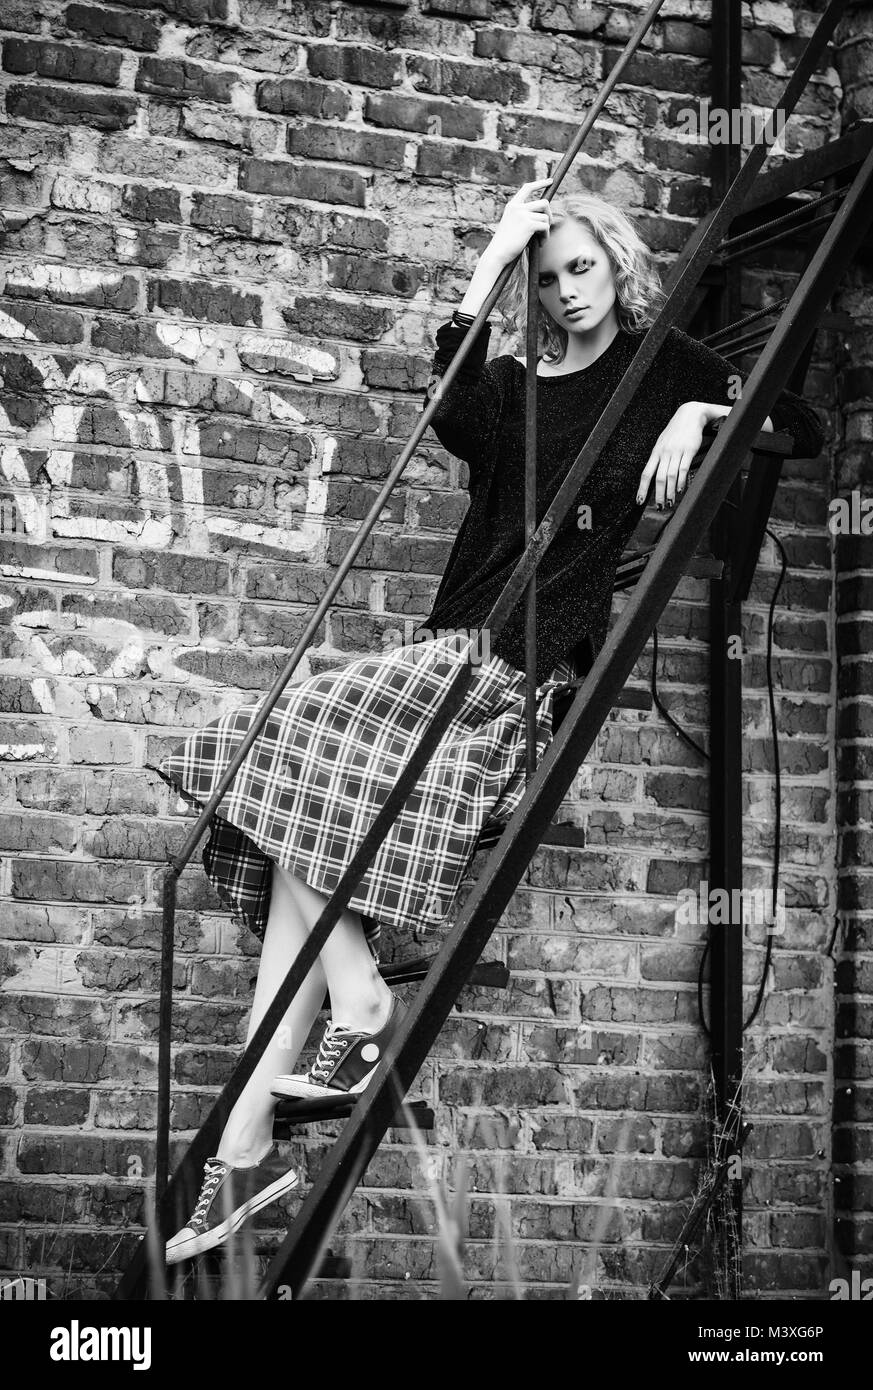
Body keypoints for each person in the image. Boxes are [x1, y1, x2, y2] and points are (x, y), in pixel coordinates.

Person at [154, 183, 825, 1263]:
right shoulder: (512, 388)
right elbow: (449, 404)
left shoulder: (668, 368)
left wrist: (706, 413)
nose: (565, 292)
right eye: (545, 275)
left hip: (514, 676)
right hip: (450, 656)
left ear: (617, 261)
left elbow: (802, 423)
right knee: (290, 838)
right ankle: (259, 1139)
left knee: (281, 771)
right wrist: (490, 258)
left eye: (581, 267)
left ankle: (310, 1067)